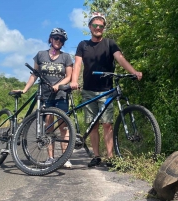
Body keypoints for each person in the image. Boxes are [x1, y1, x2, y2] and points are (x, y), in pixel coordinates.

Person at [70, 12, 142, 167]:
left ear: (103, 28)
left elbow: (120, 58)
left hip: (106, 90)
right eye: (95, 25)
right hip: (89, 90)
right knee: (93, 125)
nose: (98, 28)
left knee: (107, 124)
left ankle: (110, 157)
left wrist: (133, 72)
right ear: (90, 27)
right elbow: (77, 65)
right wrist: (74, 81)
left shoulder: (110, 43)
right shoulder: (83, 45)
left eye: (101, 26)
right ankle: (96, 156)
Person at [14, 28, 73, 168]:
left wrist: (59, 85)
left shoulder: (66, 57)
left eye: (61, 39)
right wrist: (25, 89)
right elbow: (34, 74)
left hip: (61, 95)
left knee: (64, 127)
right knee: (49, 125)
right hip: (46, 95)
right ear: (51, 39)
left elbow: (69, 76)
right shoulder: (40, 55)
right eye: (56, 38)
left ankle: (65, 158)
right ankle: (50, 158)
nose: (58, 41)